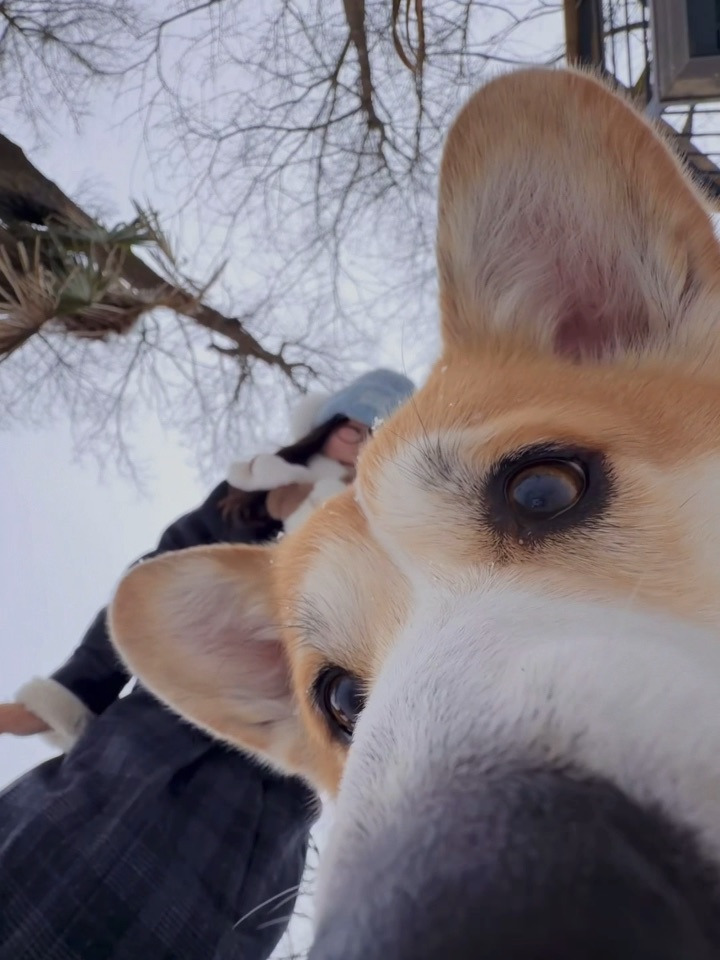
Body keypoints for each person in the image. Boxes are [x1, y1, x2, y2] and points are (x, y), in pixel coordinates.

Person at [0, 369, 415, 960]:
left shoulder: (396, 534)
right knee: (43, 862)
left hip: (277, 780)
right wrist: (72, 692)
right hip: (154, 730)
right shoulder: (248, 502)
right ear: (324, 428)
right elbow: (152, 586)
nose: (362, 439)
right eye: (353, 425)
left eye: (380, 432)